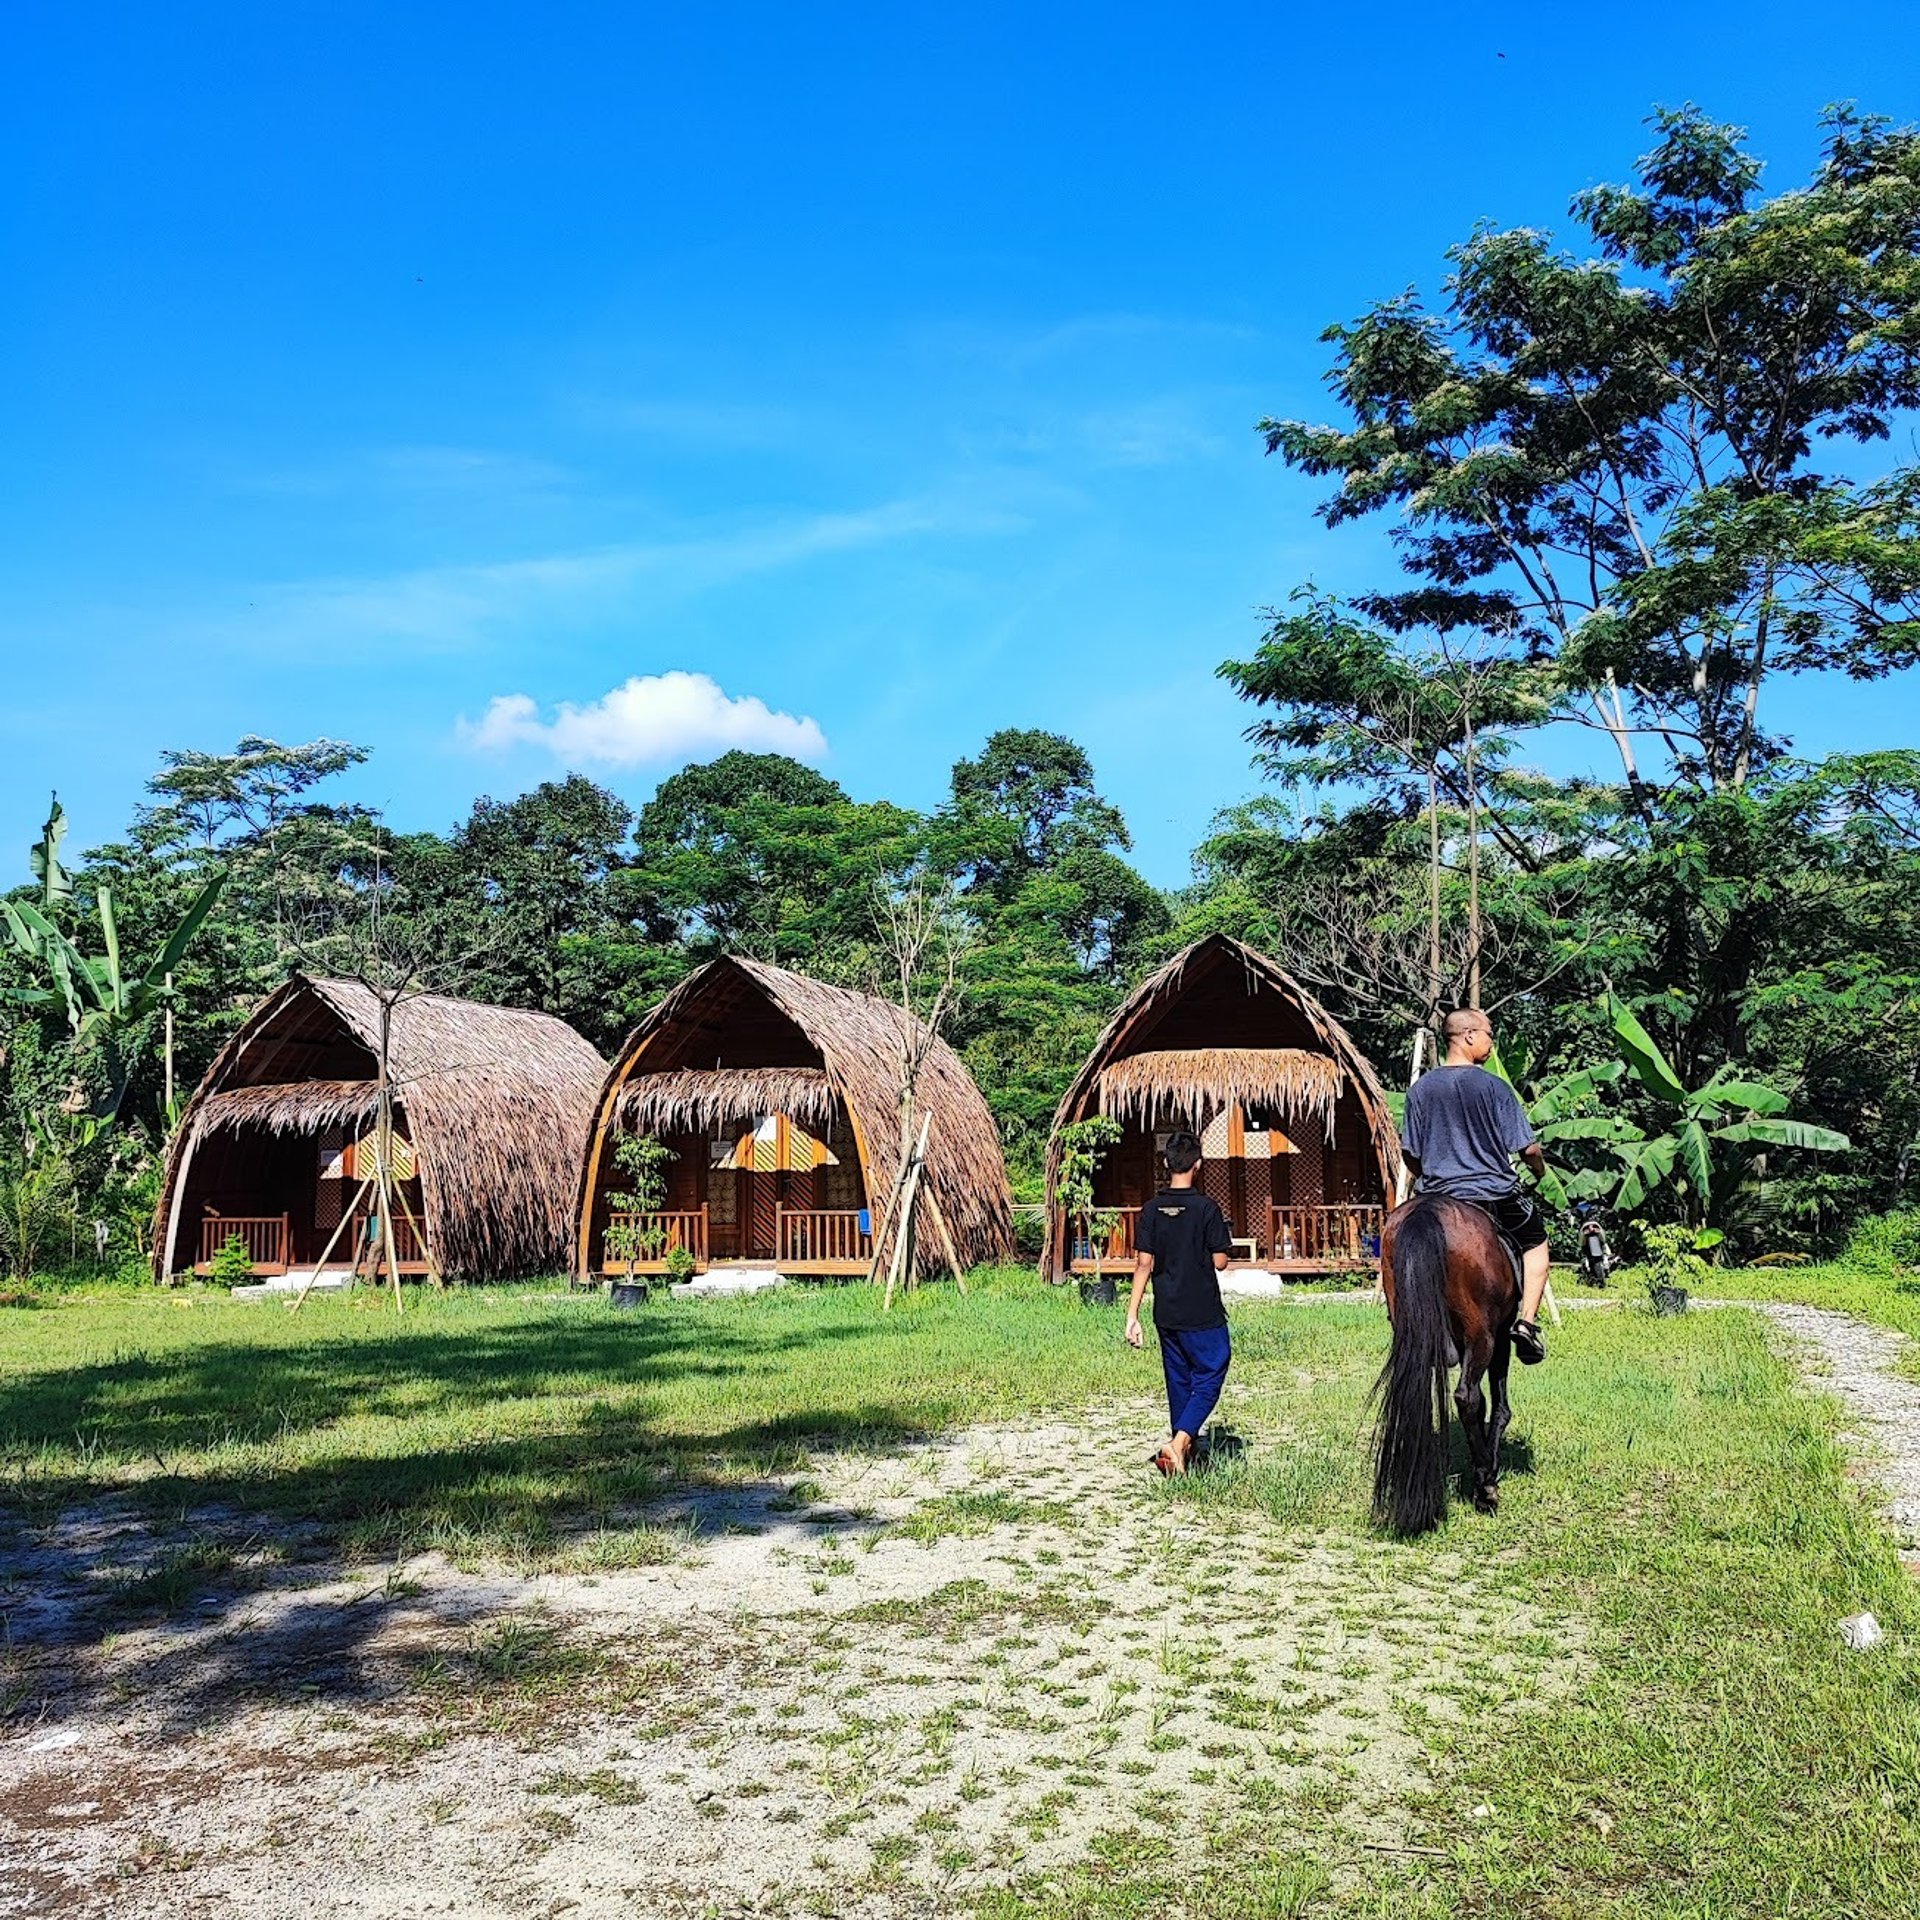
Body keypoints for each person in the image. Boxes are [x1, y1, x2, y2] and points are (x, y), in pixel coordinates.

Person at [1401, 1008, 1552, 1362]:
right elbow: (1528, 1148)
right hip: (1492, 1194)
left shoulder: (1421, 1090)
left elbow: (1411, 1154)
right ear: (1469, 1036)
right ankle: (1527, 1325)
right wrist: (1540, 1171)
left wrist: (1429, 1172)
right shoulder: (1494, 1086)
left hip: (1436, 1195)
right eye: (1488, 1033)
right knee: (1535, 1242)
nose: (1491, 1041)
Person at [1125, 1130, 1233, 1475]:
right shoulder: (1207, 1209)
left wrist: (1132, 1316)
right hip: (1201, 1309)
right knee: (1213, 1367)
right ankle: (1180, 1442)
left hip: (1166, 1310)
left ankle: (1184, 1452)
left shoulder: (1152, 1210)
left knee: (1179, 1379)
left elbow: (1144, 1263)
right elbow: (1220, 1261)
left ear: (1166, 1163)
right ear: (1198, 1165)